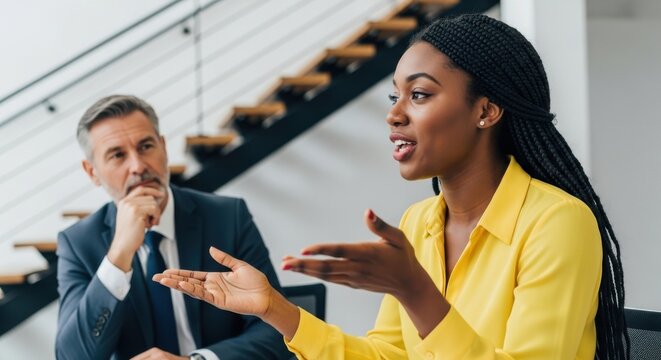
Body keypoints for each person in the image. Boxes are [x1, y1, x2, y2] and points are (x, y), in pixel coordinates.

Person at [153, 14, 629, 359]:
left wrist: (415, 291)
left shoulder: (557, 223)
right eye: (394, 95)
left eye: (419, 94)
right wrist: (276, 310)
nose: (394, 113)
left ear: (486, 111)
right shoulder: (420, 223)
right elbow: (389, 356)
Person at [56, 95, 291, 360]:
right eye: (118, 155)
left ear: (164, 148)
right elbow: (71, 356)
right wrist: (119, 254)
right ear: (92, 172)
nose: (138, 166)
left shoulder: (228, 216)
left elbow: (279, 329)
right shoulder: (77, 244)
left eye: (146, 146)